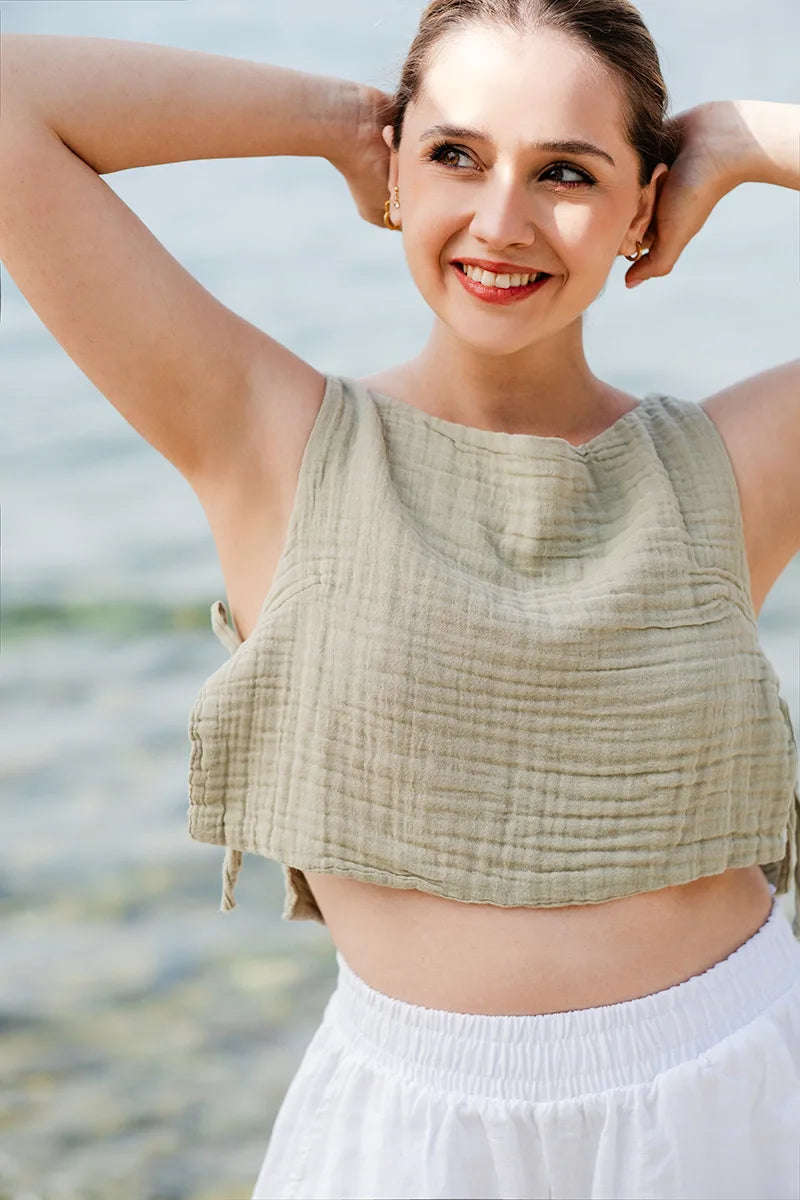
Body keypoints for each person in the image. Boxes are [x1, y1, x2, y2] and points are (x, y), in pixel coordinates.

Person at [1, 3, 799, 1197]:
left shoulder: (729, 467)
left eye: (565, 173)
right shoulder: (270, 442)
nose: (499, 221)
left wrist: (739, 141)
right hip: (408, 1137)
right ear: (397, 169)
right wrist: (335, 119)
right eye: (455, 156)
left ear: (642, 204)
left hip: (727, 1097)